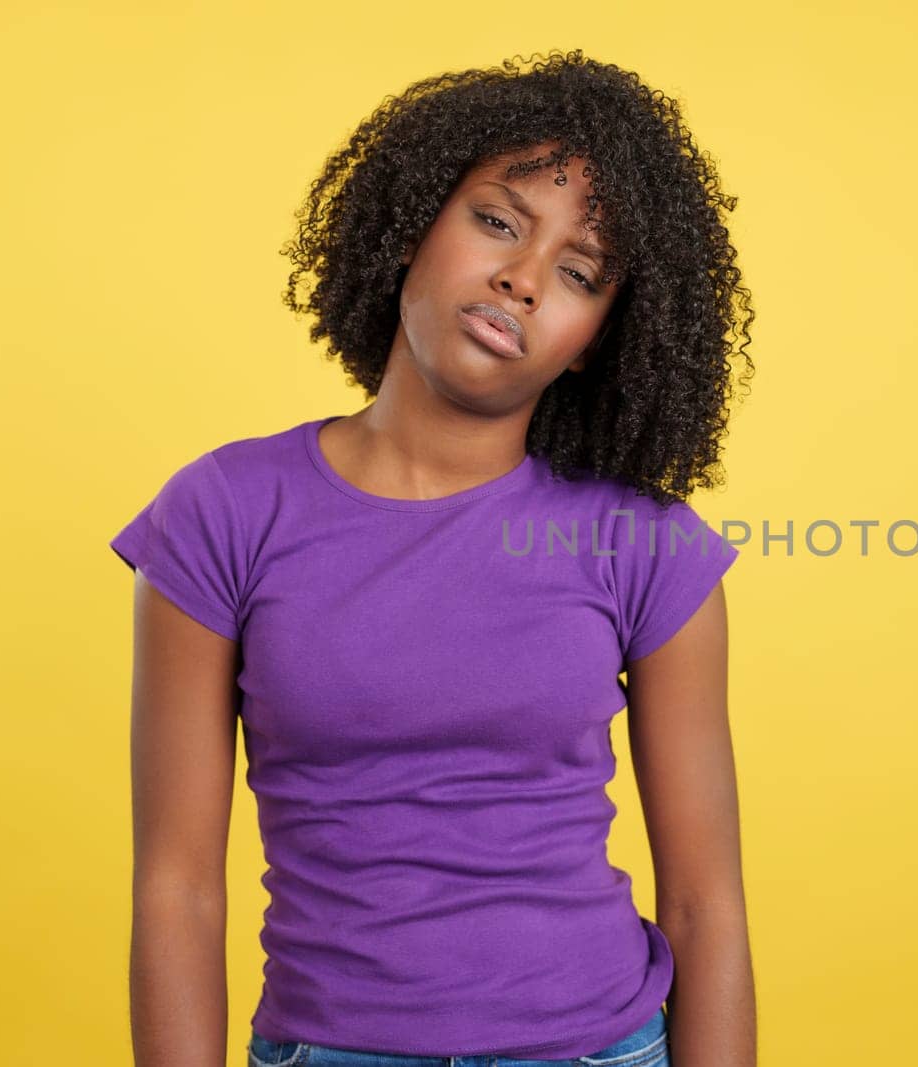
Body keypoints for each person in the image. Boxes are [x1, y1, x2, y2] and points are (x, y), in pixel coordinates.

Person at [109, 50, 756, 1067]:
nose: (523, 277)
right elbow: (177, 886)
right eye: (498, 220)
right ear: (414, 219)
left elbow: (704, 900)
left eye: (579, 271)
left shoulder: (645, 543)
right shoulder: (222, 511)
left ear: (596, 336)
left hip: (597, 1046)